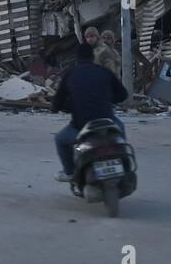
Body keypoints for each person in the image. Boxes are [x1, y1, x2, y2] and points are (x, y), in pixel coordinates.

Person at [51, 41, 128, 182]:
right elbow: (123, 95)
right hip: (107, 121)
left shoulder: (70, 75)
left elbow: (56, 103)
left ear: (77, 58)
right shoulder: (104, 72)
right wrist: (107, 99)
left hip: (81, 126)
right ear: (93, 57)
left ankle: (69, 172)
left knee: (60, 140)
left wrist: (65, 107)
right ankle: (125, 165)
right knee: (120, 133)